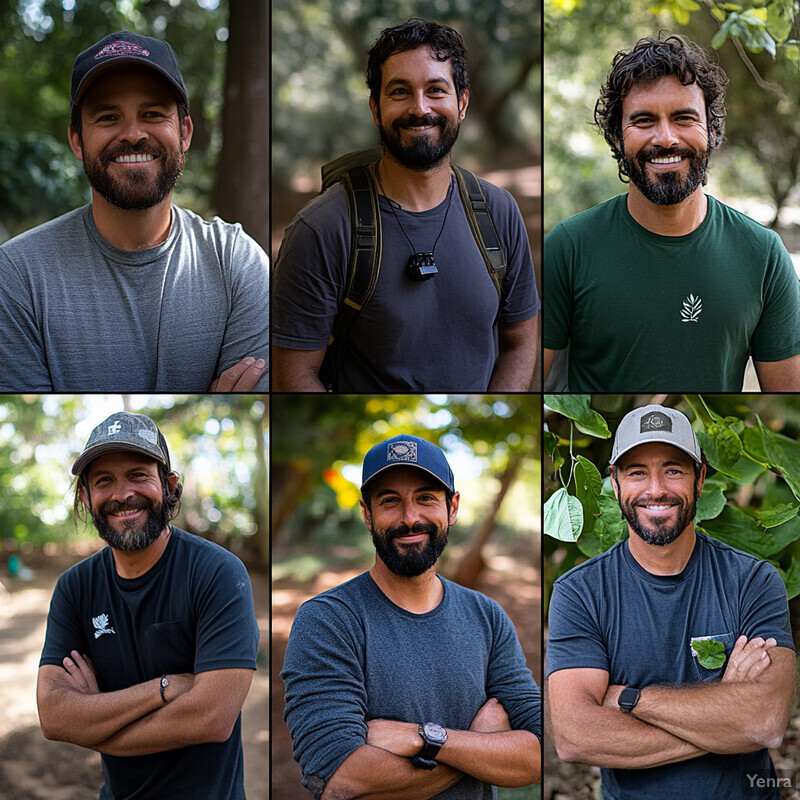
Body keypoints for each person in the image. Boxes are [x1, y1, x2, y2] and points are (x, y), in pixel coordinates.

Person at [272, 19, 540, 392]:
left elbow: (521, 341)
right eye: (399, 91)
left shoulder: (499, 212)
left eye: (435, 90)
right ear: (375, 108)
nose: (419, 108)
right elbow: (294, 375)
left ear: (461, 103)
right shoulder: (322, 229)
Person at [546, 404, 796, 799]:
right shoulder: (579, 592)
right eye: (637, 472)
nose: (656, 489)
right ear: (615, 483)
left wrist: (627, 698)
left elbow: (764, 722)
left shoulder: (753, 580)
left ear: (700, 481)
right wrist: (725, 721)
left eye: (674, 470)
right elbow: (575, 737)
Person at [0, 31, 269, 392]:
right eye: (108, 116)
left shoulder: (237, 261)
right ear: (77, 140)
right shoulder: (17, 275)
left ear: (185, 132)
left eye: (153, 113)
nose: (132, 133)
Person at [281, 434, 541, 799]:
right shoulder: (328, 621)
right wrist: (479, 743)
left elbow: (536, 754)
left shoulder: (487, 617)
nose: (410, 517)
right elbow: (339, 778)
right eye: (390, 501)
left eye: (426, 498)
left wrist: (421, 738)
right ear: (366, 514)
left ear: (452, 508)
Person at [544, 35, 800, 392]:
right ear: (618, 137)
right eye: (644, 120)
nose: (665, 138)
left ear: (711, 131)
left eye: (683, 118)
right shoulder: (567, 247)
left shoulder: (764, 254)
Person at [37, 411, 259, 800]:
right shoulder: (74, 588)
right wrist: (167, 686)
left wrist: (94, 723)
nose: (122, 494)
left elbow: (212, 718)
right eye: (104, 480)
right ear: (86, 498)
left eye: (138, 475)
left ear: (169, 486)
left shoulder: (217, 573)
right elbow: (55, 717)